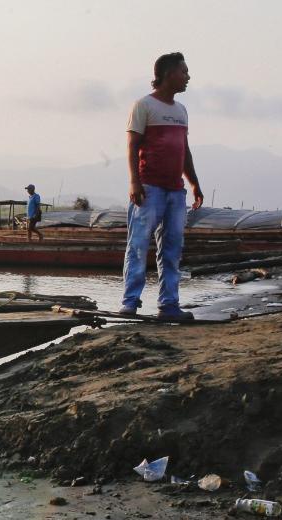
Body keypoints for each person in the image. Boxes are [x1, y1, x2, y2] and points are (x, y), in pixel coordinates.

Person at [122, 52, 204, 321]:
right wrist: (135, 181)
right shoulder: (144, 106)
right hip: (149, 188)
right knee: (138, 245)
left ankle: (168, 305)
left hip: (174, 191)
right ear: (168, 74)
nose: (188, 77)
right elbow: (133, 145)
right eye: (184, 72)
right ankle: (130, 303)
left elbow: (185, 150)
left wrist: (194, 184)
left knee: (171, 249)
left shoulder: (181, 111)